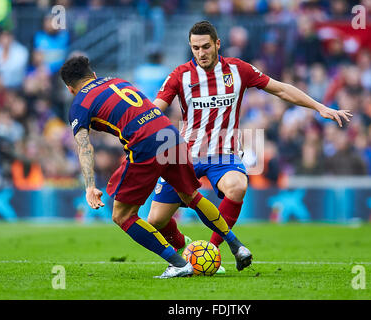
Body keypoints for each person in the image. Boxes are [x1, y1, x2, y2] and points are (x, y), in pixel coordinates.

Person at [147, 21, 352, 273]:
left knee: (238, 185)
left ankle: (211, 253)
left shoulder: (237, 69)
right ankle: (185, 248)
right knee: (156, 220)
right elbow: (156, 107)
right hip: (186, 154)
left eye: (206, 46)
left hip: (224, 153)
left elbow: (280, 89)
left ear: (217, 44)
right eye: (195, 48)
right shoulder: (180, 75)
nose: (201, 53)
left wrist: (320, 107)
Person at [60, 56, 253, 279]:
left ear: (70, 89)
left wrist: (90, 186)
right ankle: (237, 246)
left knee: (122, 215)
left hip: (145, 144)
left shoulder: (79, 104)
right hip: (169, 134)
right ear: (93, 75)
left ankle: (179, 264)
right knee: (190, 195)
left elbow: (84, 146)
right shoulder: (117, 82)